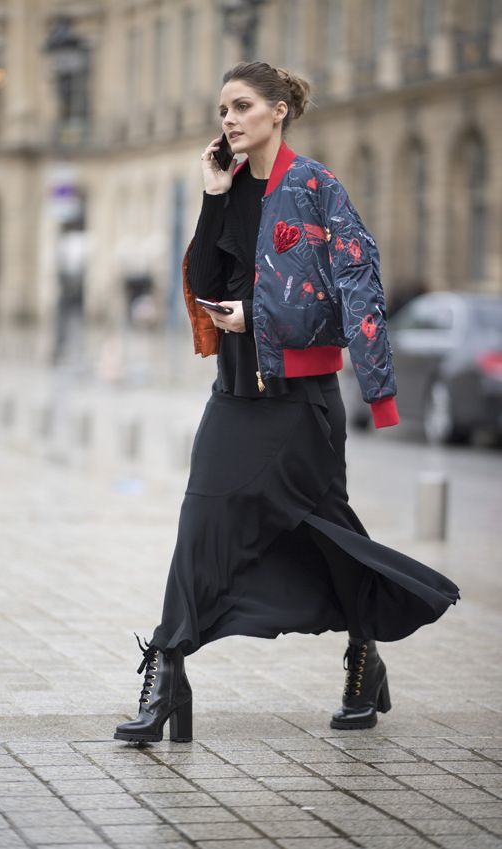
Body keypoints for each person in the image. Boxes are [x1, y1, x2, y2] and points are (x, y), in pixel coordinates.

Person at [114, 62, 459, 744]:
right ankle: (169, 671)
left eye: (240, 106)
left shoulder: (315, 186)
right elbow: (206, 279)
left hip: (302, 403)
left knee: (326, 537)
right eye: (221, 110)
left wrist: (268, 322)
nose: (228, 120)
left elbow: (353, 287)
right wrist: (213, 196)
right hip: (235, 394)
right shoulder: (230, 186)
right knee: (199, 527)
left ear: (278, 111)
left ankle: (363, 656)